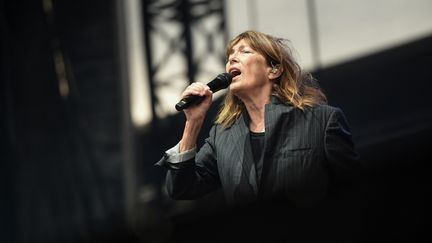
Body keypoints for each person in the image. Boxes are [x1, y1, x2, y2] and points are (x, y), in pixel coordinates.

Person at [156, 30, 362, 212]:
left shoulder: (322, 121)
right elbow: (180, 187)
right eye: (230, 56)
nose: (232, 59)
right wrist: (192, 123)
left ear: (274, 70)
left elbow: (355, 195)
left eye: (244, 52)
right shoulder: (222, 136)